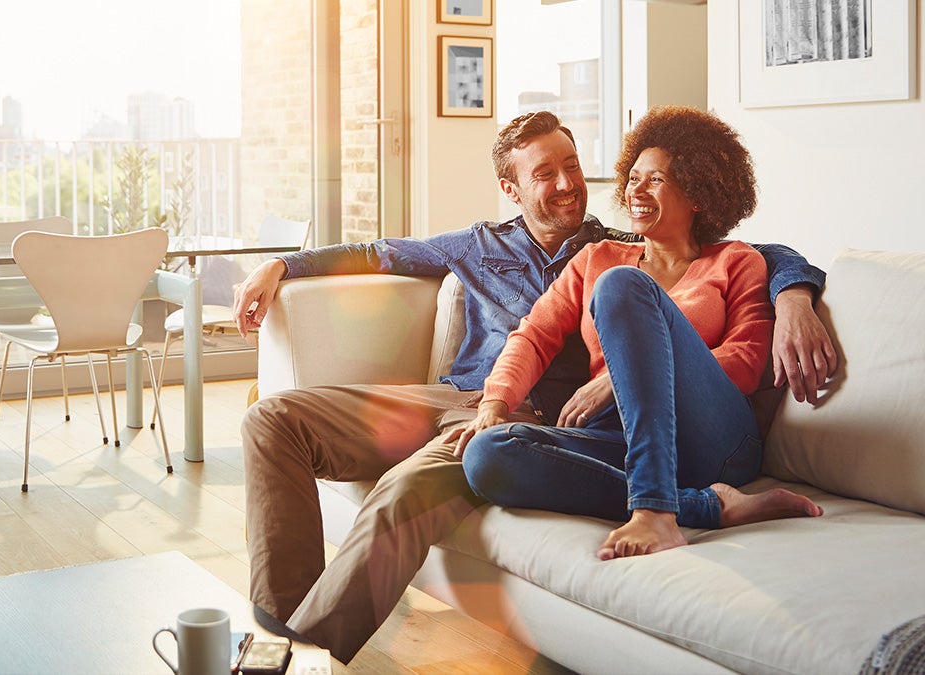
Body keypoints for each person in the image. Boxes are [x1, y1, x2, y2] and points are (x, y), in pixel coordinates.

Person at [233, 110, 836, 663]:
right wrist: (283, 264)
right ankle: (275, 635)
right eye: (545, 173)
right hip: (469, 398)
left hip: (552, 414)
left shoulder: (647, 250)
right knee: (271, 420)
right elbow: (394, 259)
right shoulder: (526, 249)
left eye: (572, 165)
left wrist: (797, 293)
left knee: (411, 484)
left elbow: (765, 259)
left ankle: (301, 658)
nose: (569, 183)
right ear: (512, 190)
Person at [455, 106, 824, 563]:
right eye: (632, 178)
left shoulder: (736, 262)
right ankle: (706, 506)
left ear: (697, 195)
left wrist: (618, 379)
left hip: (712, 439)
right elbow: (533, 335)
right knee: (489, 455)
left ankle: (653, 510)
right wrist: (495, 403)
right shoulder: (597, 258)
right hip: (624, 438)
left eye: (656, 179)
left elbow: (747, 364)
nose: (636, 190)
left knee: (622, 286)